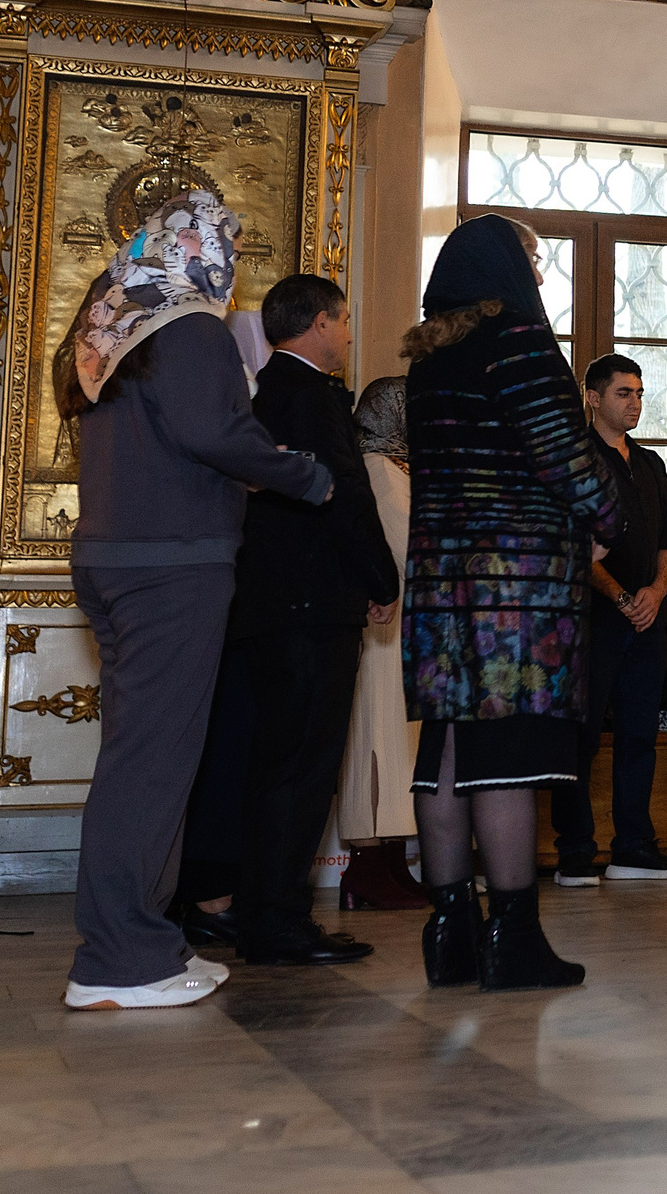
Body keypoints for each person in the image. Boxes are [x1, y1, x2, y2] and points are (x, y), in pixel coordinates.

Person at [55, 191, 330, 1009]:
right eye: (224, 248)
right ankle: (120, 959)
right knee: (154, 763)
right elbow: (215, 433)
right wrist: (302, 473)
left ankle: (146, 941)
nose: (230, 266)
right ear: (195, 251)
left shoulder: (117, 327)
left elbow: (177, 435)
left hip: (114, 556)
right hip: (172, 566)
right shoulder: (191, 327)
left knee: (141, 757)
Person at [402, 214, 616, 992]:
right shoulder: (520, 341)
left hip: (441, 582)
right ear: (502, 267)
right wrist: (611, 516)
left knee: (447, 755)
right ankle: (514, 937)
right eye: (532, 256)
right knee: (508, 758)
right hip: (515, 590)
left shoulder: (429, 360)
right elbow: (564, 457)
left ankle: (451, 930)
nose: (539, 271)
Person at [224, 274, 401, 965]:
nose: (350, 334)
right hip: (312, 607)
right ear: (320, 322)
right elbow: (345, 496)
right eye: (345, 319)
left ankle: (261, 909)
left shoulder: (266, 391)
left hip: (270, 606)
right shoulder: (313, 396)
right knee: (304, 766)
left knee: (273, 764)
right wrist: (380, 577)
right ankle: (279, 920)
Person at [549, 353, 667, 885]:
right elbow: (569, 541)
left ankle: (632, 847)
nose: (635, 403)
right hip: (591, 621)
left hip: (648, 619)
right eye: (623, 393)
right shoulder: (574, 458)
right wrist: (622, 597)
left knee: (639, 736)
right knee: (580, 738)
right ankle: (574, 852)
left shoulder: (649, 463)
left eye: (639, 393)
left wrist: (655, 590)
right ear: (593, 397)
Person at [336, 376, 424, 912]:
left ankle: (390, 864)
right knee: (378, 742)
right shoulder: (379, 470)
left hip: (401, 634)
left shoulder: (397, 468)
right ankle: (366, 869)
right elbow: (411, 552)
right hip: (383, 637)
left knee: (397, 748)